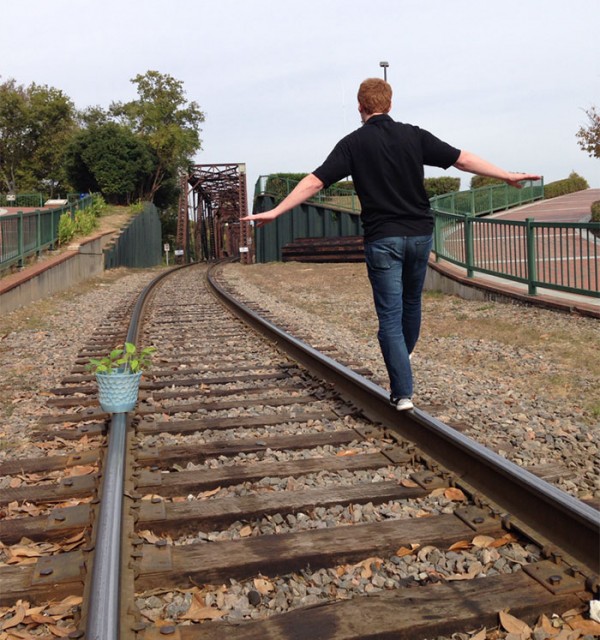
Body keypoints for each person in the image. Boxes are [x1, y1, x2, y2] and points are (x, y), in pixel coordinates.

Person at [242, 78, 540, 411]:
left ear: (360, 107)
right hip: (420, 235)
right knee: (412, 303)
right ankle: (402, 357)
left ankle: (403, 393)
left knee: (389, 318)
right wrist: (507, 175)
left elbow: (314, 181)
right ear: (390, 104)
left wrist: (278, 211)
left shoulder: (352, 144)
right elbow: (462, 158)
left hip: (383, 239)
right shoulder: (414, 135)